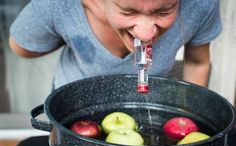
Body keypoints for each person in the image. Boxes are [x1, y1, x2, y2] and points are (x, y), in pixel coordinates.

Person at [9, 0, 222, 89]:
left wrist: (187, 115)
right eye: (128, 11)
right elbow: (21, 47)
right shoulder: (58, 4)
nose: (146, 33)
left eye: (163, 11)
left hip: (150, 97)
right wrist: (68, 31)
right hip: (73, 103)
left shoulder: (201, 4)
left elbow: (197, 62)